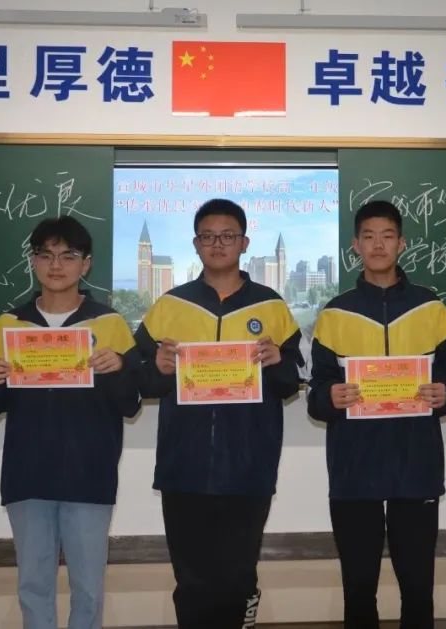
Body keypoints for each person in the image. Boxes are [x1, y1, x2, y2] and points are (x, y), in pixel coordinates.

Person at [134, 198, 303, 629]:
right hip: (183, 466)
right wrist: (157, 369)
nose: (218, 244)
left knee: (237, 576)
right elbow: (140, 379)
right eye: (208, 236)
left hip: (249, 465)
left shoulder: (271, 306)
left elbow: (292, 381)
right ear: (196, 244)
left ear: (244, 243)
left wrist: (276, 363)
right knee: (191, 579)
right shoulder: (170, 305)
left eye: (228, 236)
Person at [0, 216, 141, 629]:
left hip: (89, 474)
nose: (56, 265)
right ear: (33, 261)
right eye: (46, 255)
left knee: (88, 588)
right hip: (27, 474)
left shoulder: (110, 324)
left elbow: (130, 404)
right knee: (33, 585)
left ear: (86, 264)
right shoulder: (8, 325)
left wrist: (119, 368)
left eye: (68, 256)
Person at [307, 200, 446, 629]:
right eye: (369, 237)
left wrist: (445, 394)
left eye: (387, 236)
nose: (378, 245)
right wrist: (329, 397)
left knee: (418, 588)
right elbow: (316, 392)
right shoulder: (335, 313)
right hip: (354, 470)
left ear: (401, 243)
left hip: (417, 467)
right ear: (355, 245)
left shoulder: (431, 308)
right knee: (358, 588)